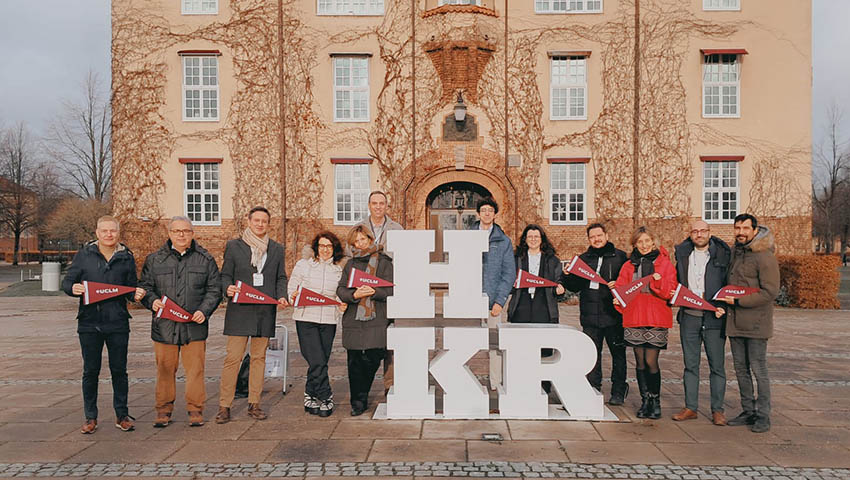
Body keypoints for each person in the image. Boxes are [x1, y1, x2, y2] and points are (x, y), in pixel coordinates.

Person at [137, 216, 222, 428]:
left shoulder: (205, 259)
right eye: (177, 231)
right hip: (165, 326)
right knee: (165, 369)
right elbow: (145, 287)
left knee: (195, 370)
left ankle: (195, 409)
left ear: (193, 233)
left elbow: (215, 289)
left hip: (194, 325)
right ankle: (163, 410)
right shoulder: (155, 260)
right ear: (169, 233)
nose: (182, 235)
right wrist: (152, 301)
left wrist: (205, 310)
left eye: (186, 231)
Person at [61, 215, 143, 434]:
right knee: (90, 371)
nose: (109, 234)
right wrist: (73, 288)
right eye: (105, 231)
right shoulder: (84, 255)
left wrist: (137, 294)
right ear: (97, 233)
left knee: (119, 370)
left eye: (113, 231)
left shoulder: (126, 257)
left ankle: (122, 415)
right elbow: (67, 282)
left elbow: (131, 288)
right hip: (89, 322)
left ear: (118, 233)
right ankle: (90, 417)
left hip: (117, 322)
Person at [216, 206, 289, 424]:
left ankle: (254, 403)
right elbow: (225, 275)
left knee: (259, 359)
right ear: (248, 221)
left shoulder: (276, 249)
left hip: (264, 312)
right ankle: (225, 406)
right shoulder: (234, 246)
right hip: (239, 311)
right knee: (232, 359)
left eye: (264, 221)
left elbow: (280, 278)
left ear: (269, 224)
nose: (260, 224)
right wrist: (227, 288)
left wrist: (282, 296)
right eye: (256, 220)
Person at [718, 213, 780, 433]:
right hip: (735, 322)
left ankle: (763, 415)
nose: (741, 232)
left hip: (756, 324)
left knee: (758, 369)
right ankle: (748, 410)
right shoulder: (736, 252)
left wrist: (739, 301)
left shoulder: (764, 256)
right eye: (737, 228)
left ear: (755, 230)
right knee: (741, 370)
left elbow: (771, 291)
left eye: (745, 228)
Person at [560, 223, 630, 405]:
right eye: (592, 237)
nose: (596, 239)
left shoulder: (620, 257)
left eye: (599, 235)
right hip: (590, 315)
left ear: (606, 235)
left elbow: (630, 282)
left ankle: (618, 390)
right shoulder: (583, 259)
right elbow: (574, 286)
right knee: (592, 354)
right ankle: (593, 388)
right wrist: (567, 275)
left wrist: (620, 285)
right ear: (589, 239)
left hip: (614, 315)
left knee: (618, 355)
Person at [613, 226, 676, 420]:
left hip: (656, 317)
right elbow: (623, 288)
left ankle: (655, 400)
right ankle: (644, 401)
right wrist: (618, 299)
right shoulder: (628, 266)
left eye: (647, 241)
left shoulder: (664, 264)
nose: (644, 245)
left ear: (653, 242)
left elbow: (669, 292)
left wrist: (657, 281)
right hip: (635, 316)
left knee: (651, 361)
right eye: (640, 242)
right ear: (635, 244)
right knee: (639, 361)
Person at [672, 220, 730, 426]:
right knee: (691, 365)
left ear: (709, 233)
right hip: (689, 317)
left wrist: (726, 307)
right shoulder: (682, 254)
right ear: (690, 234)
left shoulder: (722, 254)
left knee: (717, 366)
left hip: (714, 317)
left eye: (703, 231)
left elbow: (729, 284)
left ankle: (717, 409)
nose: (699, 234)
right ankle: (690, 407)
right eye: (695, 231)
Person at [336, 225, 393, 416]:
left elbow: (392, 289)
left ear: (370, 239)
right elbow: (341, 289)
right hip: (354, 317)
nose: (360, 244)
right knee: (354, 362)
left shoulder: (384, 262)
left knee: (372, 357)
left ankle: (362, 393)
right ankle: (357, 402)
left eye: (363, 240)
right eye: (356, 242)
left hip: (376, 317)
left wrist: (374, 291)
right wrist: (354, 294)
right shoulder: (350, 264)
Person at [288, 231, 347, 417]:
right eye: (322, 246)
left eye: (329, 246)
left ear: (334, 249)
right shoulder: (303, 265)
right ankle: (326, 395)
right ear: (316, 248)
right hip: (306, 318)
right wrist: (293, 296)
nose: (325, 250)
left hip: (328, 319)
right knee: (317, 359)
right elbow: (292, 288)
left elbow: (340, 293)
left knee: (320, 359)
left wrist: (341, 305)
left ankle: (310, 394)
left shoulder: (338, 270)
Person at [353, 191, 403, 395]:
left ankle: (389, 384)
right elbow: (351, 259)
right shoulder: (360, 228)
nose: (378, 207)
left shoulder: (397, 228)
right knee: (370, 340)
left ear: (386, 206)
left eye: (382, 203)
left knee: (391, 339)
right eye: (374, 203)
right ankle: (363, 386)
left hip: (388, 290)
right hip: (365, 291)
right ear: (369, 205)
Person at [471, 197, 516, 390]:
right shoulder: (466, 238)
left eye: (491, 210)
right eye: (484, 210)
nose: (487, 213)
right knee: (462, 342)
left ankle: (495, 383)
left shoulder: (503, 240)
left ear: (495, 214)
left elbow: (509, 273)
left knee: (494, 346)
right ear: (478, 214)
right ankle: (465, 380)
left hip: (492, 303)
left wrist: (500, 300)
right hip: (469, 299)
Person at [507, 224, 565, 324]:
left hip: (544, 307)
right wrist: (511, 284)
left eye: (536, 236)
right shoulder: (516, 258)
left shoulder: (552, 260)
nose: (533, 239)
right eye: (530, 236)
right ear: (525, 239)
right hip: (520, 306)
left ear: (542, 239)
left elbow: (559, 280)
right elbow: (508, 280)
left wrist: (559, 288)